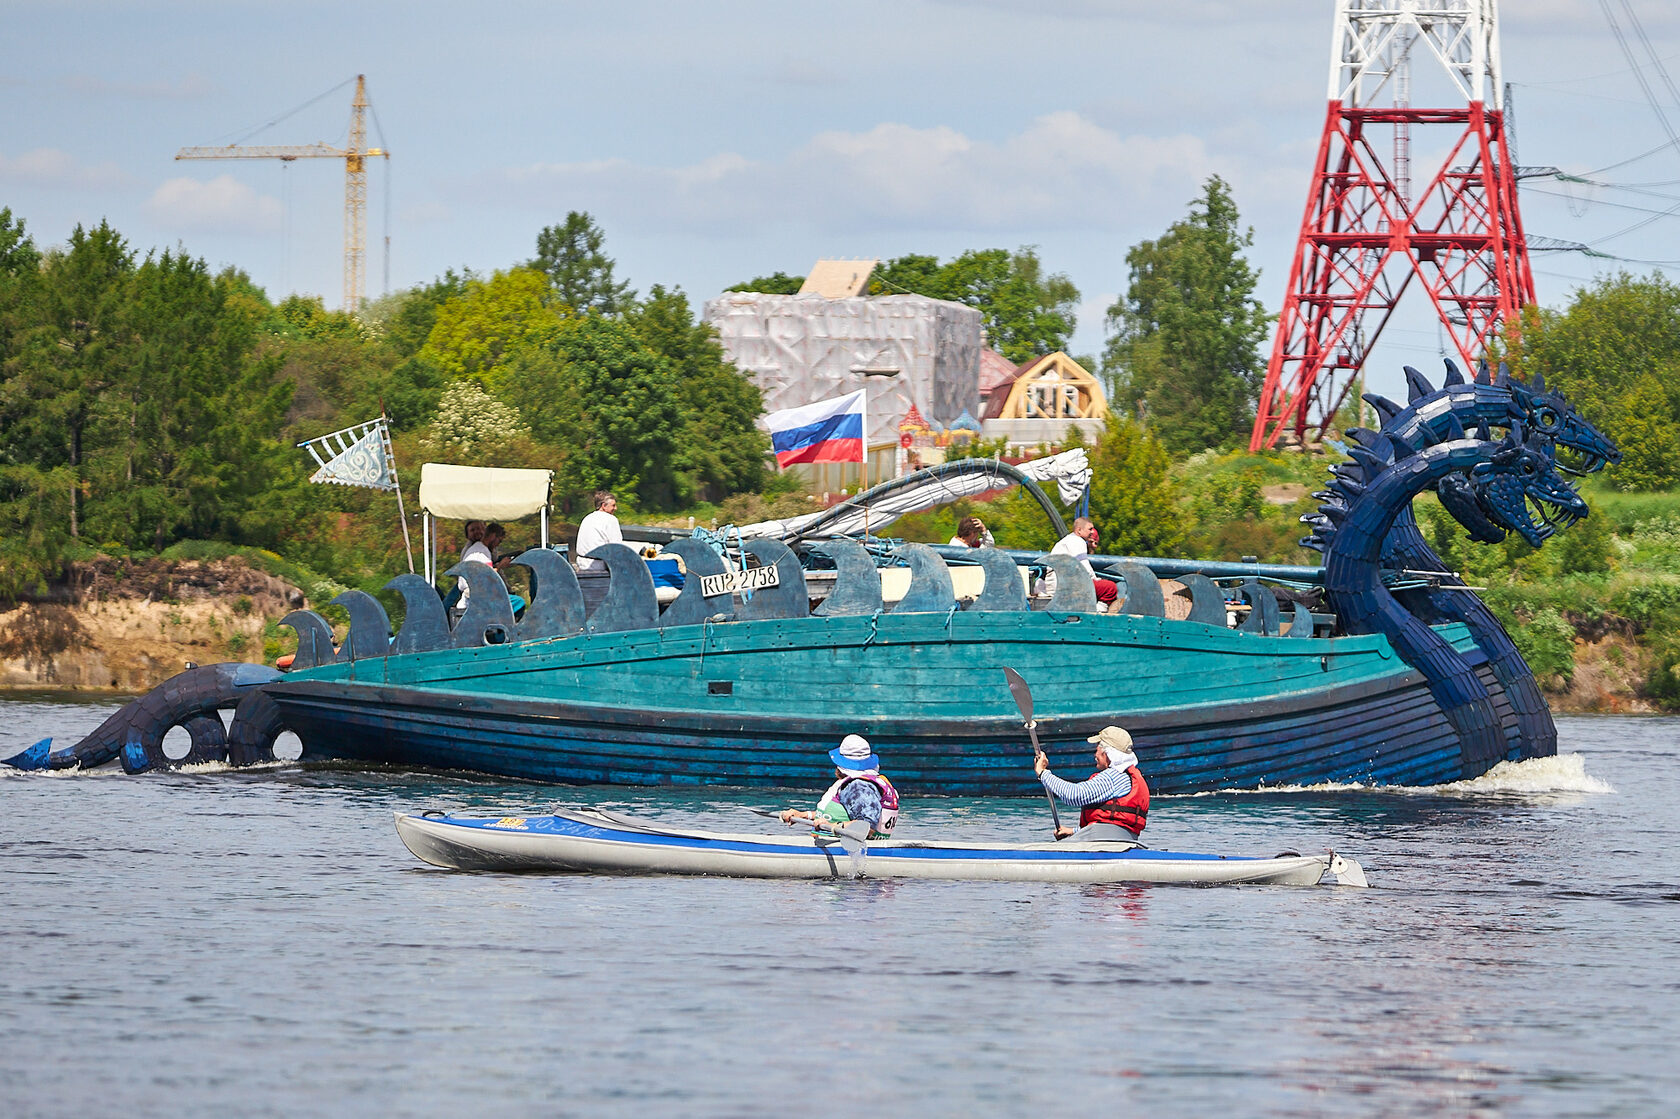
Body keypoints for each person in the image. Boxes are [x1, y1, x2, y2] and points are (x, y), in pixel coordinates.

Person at [1034, 725, 1149, 842]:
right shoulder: (1126, 776)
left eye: (1097, 749)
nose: (1095, 755)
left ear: (1107, 753)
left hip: (1105, 843)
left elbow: (1073, 796)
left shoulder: (1113, 777)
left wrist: (1043, 773)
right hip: (1124, 840)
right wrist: (1074, 832)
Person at [780, 733, 900, 839]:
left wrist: (833, 826)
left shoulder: (858, 786)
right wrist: (804, 815)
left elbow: (866, 826)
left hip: (844, 850)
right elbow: (841, 815)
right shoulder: (857, 784)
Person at [1049, 516, 1119, 610]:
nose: (1092, 532)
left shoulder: (1067, 540)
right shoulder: (1077, 541)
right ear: (1079, 530)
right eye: (1090, 529)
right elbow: (1084, 565)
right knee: (1110, 588)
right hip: (1065, 585)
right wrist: (1095, 579)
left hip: (1057, 584)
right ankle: (1097, 613)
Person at [574, 490, 623, 572]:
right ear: (604, 506)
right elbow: (616, 547)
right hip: (599, 567)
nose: (615, 508)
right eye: (613, 505)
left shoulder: (587, 518)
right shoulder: (611, 520)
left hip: (582, 565)